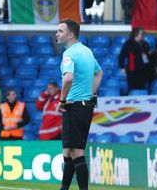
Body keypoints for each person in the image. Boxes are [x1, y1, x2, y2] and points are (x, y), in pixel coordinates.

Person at [56, 19, 103, 190]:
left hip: (74, 106)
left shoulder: (69, 54)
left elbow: (68, 78)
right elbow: (99, 73)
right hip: (84, 106)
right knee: (68, 152)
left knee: (76, 152)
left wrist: (62, 100)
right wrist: (91, 93)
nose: (56, 34)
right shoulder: (87, 51)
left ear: (70, 34)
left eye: (60, 31)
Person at [118, 28, 151, 93]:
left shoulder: (145, 44)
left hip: (143, 71)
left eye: (143, 34)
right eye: (141, 34)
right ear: (136, 34)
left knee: (142, 90)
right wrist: (122, 67)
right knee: (133, 89)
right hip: (132, 71)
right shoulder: (129, 43)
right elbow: (122, 56)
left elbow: (147, 57)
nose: (143, 35)